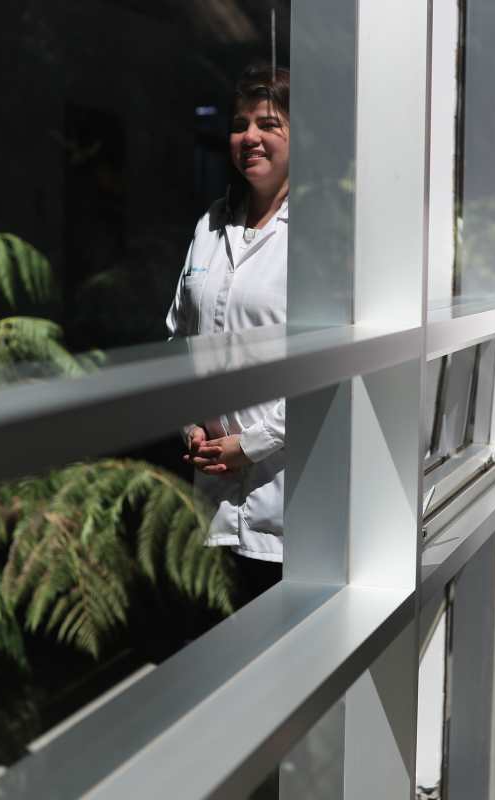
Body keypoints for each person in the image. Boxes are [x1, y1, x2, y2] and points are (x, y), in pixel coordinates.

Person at [166, 64, 289, 602]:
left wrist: (251, 445)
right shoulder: (210, 225)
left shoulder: (315, 237)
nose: (250, 137)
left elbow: (329, 367)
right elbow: (180, 340)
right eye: (240, 125)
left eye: (269, 124)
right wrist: (190, 423)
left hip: (285, 507)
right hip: (211, 499)